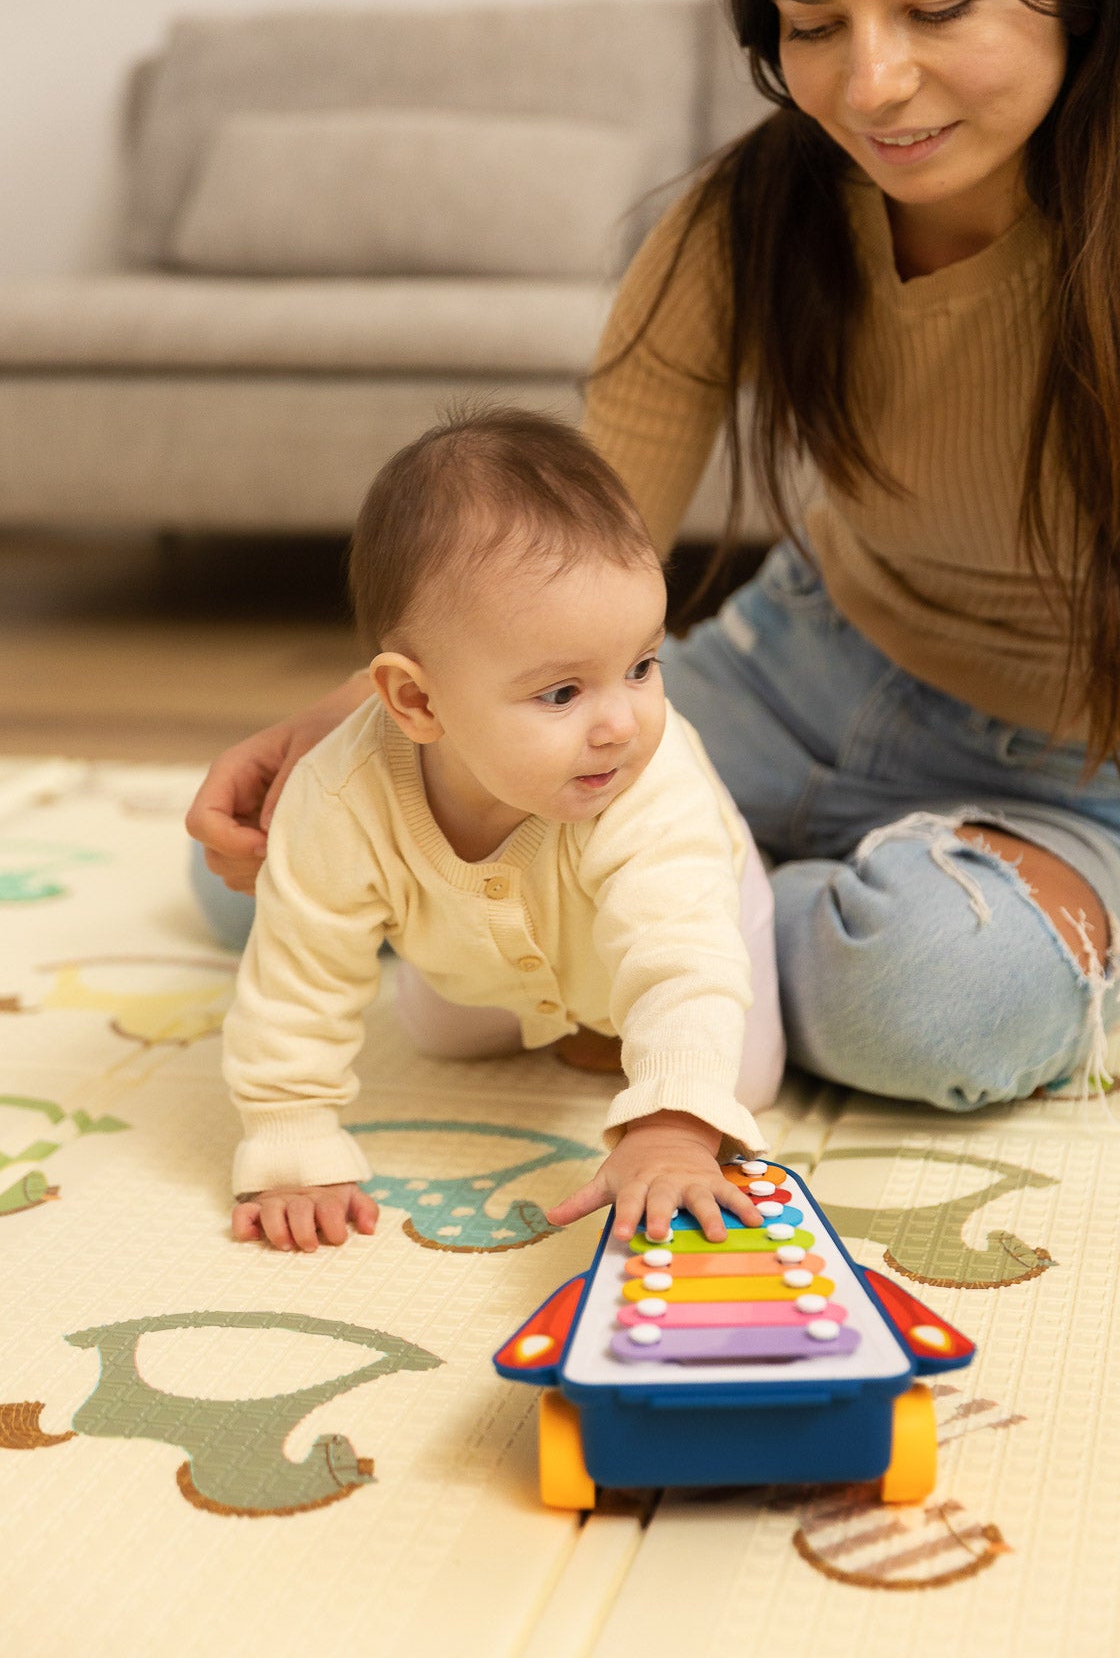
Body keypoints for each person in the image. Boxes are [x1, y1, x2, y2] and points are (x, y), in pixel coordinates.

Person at [190, 0, 1120, 1122]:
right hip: (796, 665)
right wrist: (356, 729)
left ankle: (660, 917)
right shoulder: (756, 209)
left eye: (939, 11)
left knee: (933, 998)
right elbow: (569, 542)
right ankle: (671, 909)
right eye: (815, 26)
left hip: (1075, 763)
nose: (870, 84)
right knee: (261, 861)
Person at [222, 407, 785, 1253]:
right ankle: (551, 1007)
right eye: (562, 693)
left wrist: (670, 1127)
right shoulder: (338, 796)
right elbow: (297, 971)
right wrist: (291, 1134)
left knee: (736, 1080)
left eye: (641, 666)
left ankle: (785, 900)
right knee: (443, 1036)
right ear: (416, 701)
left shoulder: (650, 784)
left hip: (694, 911)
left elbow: (684, 957)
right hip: (476, 951)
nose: (621, 725)